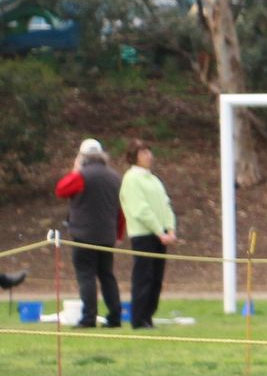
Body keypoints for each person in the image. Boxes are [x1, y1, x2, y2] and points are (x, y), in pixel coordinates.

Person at [55, 138, 123, 328]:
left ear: (82, 157)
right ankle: (115, 316)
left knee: (86, 276)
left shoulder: (81, 176)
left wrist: (75, 170)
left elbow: (60, 190)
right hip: (107, 235)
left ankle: (89, 317)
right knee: (107, 276)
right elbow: (120, 210)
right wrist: (118, 234)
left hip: (84, 235)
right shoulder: (114, 177)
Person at [118, 140, 178, 329]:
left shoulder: (154, 180)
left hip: (160, 236)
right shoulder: (131, 179)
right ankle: (139, 318)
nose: (149, 156)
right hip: (143, 235)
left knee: (156, 279)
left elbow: (165, 204)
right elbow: (140, 209)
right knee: (144, 277)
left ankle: (149, 316)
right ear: (134, 156)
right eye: (143, 153)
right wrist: (159, 231)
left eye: (149, 152)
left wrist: (170, 229)